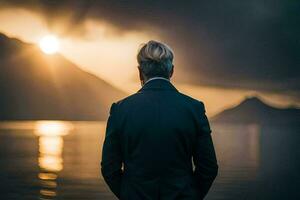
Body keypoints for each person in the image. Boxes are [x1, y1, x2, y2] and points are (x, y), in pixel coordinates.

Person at [101, 40, 218, 200]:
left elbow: (109, 167)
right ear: (171, 71)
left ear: (140, 72)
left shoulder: (120, 110)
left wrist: (128, 194)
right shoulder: (194, 108)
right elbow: (208, 167)